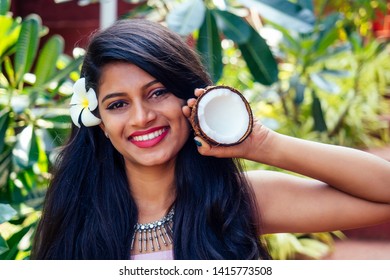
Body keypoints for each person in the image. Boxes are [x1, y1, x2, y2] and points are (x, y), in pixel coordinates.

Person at [31, 19, 390, 260]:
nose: (141, 117)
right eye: (118, 104)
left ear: (192, 98)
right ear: (101, 122)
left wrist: (262, 143)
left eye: (157, 93)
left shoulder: (238, 199)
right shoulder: (77, 210)